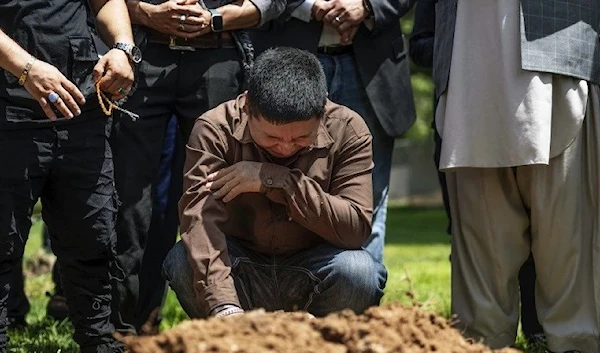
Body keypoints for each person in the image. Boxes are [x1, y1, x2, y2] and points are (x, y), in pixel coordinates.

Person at [162, 47, 386, 319]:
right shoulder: (214, 128)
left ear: (323, 107)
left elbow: (354, 229)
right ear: (247, 106)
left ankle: (319, 345)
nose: (285, 148)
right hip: (239, 267)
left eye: (301, 138)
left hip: (315, 268)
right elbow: (200, 221)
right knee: (183, 259)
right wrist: (223, 305)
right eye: (271, 138)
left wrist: (277, 180)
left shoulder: (349, 128)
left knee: (359, 270)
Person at [110, 0, 286, 335]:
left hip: (219, 56)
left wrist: (216, 19)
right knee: (128, 200)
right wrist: (147, 12)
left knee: (224, 194)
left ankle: (234, 321)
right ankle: (123, 328)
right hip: (144, 55)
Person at [433, 0, 600, 352]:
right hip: (467, 66)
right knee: (481, 255)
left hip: (561, 62)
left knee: (568, 247)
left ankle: (576, 344)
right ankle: (482, 345)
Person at [0, 0, 136, 351]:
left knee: (94, 236)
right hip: (8, 109)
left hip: (81, 107)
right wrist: (27, 68)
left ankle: (100, 341)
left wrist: (122, 47)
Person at [408, 0, 544, 345]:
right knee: (470, 231)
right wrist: (467, 52)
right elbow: (421, 44)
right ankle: (484, 334)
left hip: (531, 108)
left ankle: (536, 327)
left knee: (540, 231)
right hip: (463, 114)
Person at [250, 0, 416, 263]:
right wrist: (309, 5)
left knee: (368, 196)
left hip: (370, 65)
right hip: (287, 58)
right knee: (274, 189)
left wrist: (368, 5)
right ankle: (279, 294)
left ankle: (360, 294)